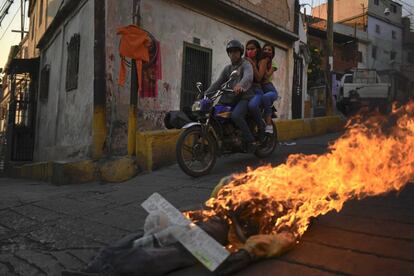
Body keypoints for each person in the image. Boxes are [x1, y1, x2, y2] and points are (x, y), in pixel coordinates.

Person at [204, 40, 256, 152]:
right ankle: (228, 136)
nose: (233, 54)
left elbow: (248, 77)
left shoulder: (245, 64)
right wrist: (205, 95)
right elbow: (218, 83)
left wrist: (240, 85)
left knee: (236, 116)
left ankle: (250, 140)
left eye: (236, 51)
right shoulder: (227, 69)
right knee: (216, 113)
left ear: (240, 53)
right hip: (230, 98)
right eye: (231, 52)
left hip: (244, 97)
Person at [244, 39, 268, 141]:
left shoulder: (262, 61)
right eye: (248, 49)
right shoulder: (244, 60)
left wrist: (253, 65)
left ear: (257, 50)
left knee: (252, 106)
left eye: (252, 49)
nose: (249, 51)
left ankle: (262, 127)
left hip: (257, 90)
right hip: (246, 90)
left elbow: (258, 78)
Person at [261, 43, 279, 134]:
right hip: (261, 88)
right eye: (265, 49)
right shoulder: (259, 61)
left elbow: (267, 75)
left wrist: (264, 63)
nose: (267, 51)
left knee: (265, 97)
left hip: (270, 89)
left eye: (269, 50)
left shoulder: (273, 64)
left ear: (272, 53)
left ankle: (269, 125)